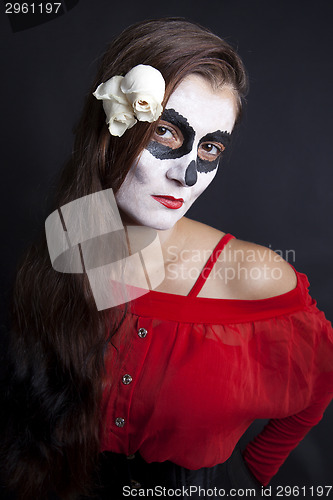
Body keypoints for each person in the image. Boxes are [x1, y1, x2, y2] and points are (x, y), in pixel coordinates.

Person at [1, 17, 333, 500]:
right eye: (167, 134)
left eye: (211, 148)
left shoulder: (253, 275)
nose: (188, 174)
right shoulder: (77, 232)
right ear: (113, 126)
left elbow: (319, 378)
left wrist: (255, 470)